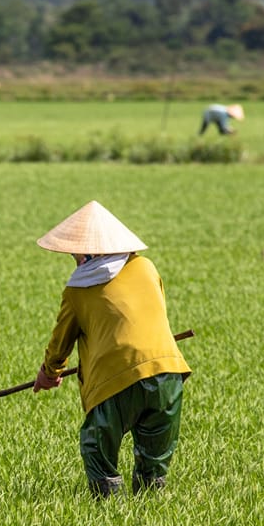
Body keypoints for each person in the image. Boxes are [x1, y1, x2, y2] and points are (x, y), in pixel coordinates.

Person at [32, 200, 191, 499]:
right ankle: (150, 509)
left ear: (89, 253)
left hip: (116, 380)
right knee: (153, 459)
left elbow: (60, 343)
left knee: (96, 444)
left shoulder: (78, 290)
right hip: (168, 373)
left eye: (76, 254)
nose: (75, 260)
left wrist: (49, 373)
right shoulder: (146, 267)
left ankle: (109, 510)